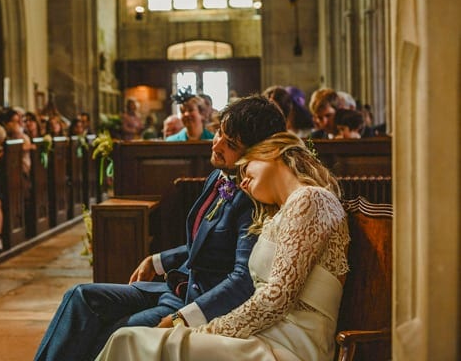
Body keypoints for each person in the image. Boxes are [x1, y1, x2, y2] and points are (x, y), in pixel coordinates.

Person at [34, 96, 287, 361]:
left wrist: (183, 318)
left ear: (257, 152)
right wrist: (157, 262)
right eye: (221, 133)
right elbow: (202, 244)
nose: (217, 144)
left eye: (231, 143)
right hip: (178, 285)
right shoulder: (218, 176)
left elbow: (242, 281)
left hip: (196, 302)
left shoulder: (255, 197)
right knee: (80, 297)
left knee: (112, 334)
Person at [97, 132, 349, 361]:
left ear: (272, 153)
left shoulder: (311, 198)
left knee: (130, 340)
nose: (242, 182)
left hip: (290, 345)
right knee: (129, 338)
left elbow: (277, 298)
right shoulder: (280, 213)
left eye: (246, 168)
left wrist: (206, 329)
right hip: (265, 334)